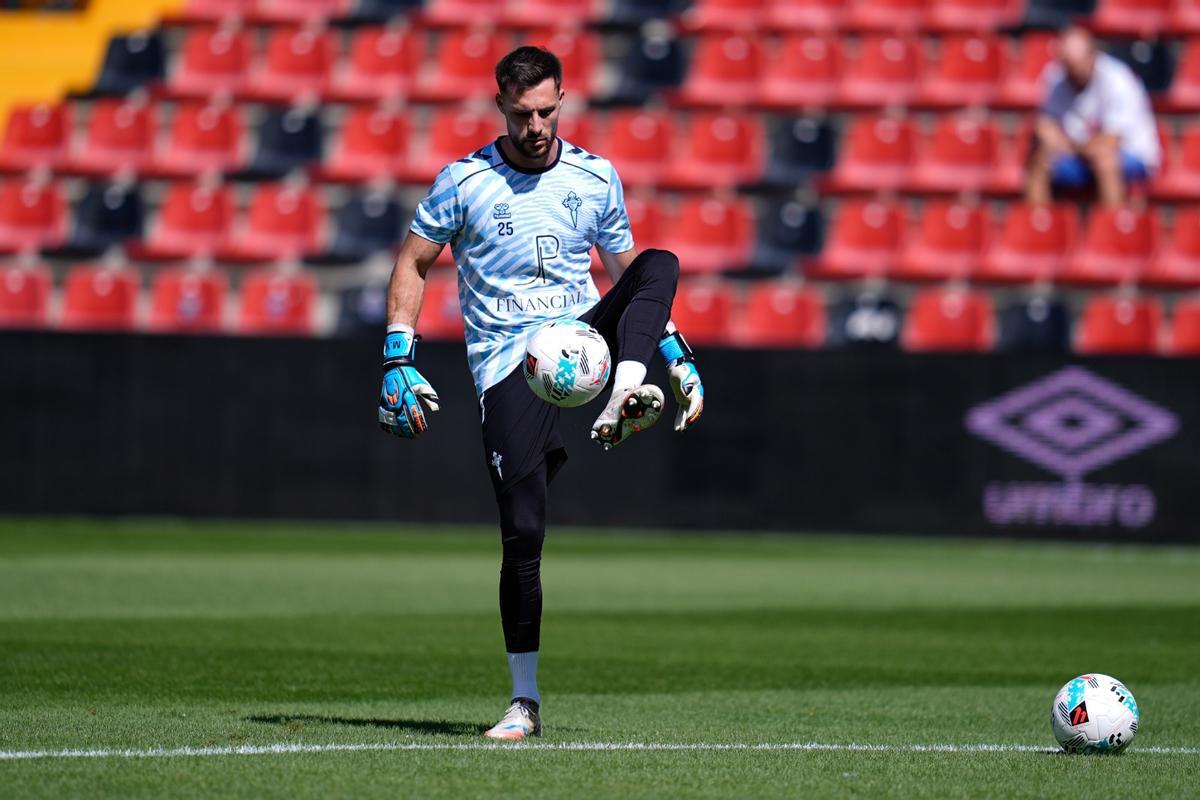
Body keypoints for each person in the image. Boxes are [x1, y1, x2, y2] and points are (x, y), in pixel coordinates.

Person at [376, 46, 705, 740]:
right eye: (523, 113)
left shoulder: (594, 176)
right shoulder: (464, 182)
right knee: (523, 534)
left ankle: (629, 387)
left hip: (586, 339)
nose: (536, 125)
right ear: (500, 105)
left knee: (661, 263)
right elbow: (413, 261)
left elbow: (629, 273)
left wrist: (677, 358)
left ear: (564, 100)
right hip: (509, 364)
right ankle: (524, 701)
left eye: (547, 111)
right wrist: (396, 354)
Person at [1026, 25, 1160, 207]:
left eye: (1079, 66)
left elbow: (1110, 141)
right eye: (1069, 67)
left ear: (1092, 56)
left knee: (1105, 160)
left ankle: (1111, 230)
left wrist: (1070, 146)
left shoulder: (1118, 79)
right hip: (1078, 153)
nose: (1075, 74)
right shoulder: (1055, 77)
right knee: (1040, 159)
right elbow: (1044, 126)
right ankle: (1039, 227)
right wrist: (1065, 145)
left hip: (1132, 155)